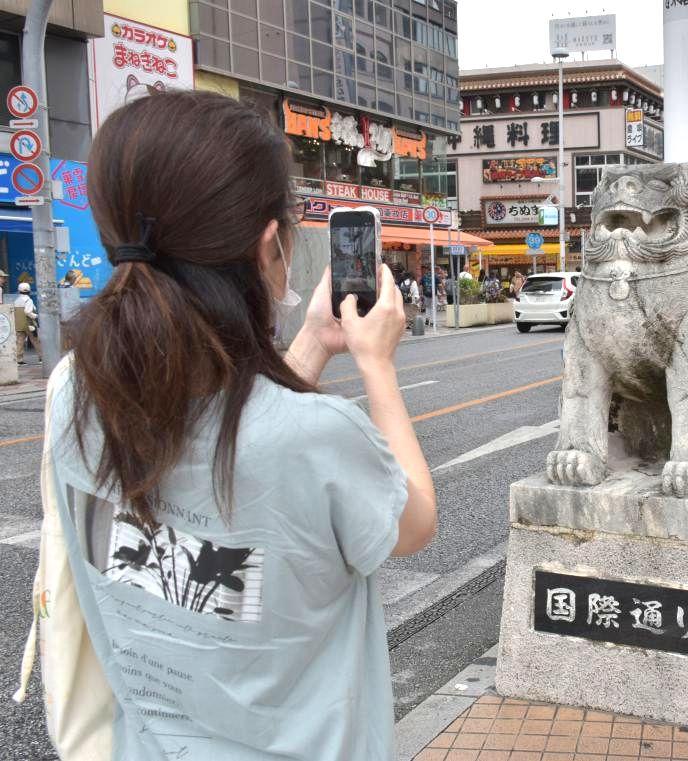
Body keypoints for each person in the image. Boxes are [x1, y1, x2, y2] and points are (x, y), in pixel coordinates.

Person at [33, 91, 436, 759]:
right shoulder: (318, 435)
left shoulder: (76, 390)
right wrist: (377, 365)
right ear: (270, 245)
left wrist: (309, 345)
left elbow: (238, 432)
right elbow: (414, 521)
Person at [13, 282, 42, 364]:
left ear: (19, 290)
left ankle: (19, 359)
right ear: (29, 291)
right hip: (29, 324)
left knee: (20, 341)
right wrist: (36, 316)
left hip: (19, 324)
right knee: (35, 340)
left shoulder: (17, 300)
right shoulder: (28, 300)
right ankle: (42, 358)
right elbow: (28, 311)